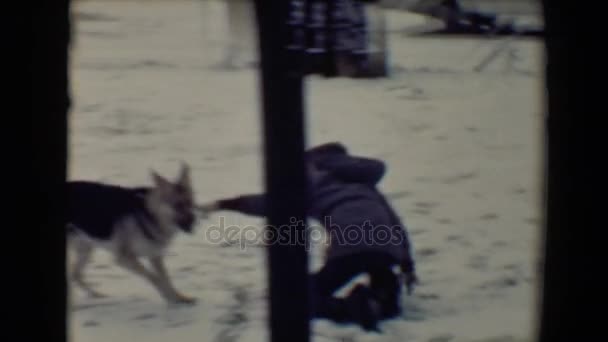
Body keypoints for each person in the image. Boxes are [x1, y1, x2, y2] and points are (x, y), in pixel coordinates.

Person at [200, 142, 418, 331]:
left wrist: (226, 204)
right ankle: (381, 300)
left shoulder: (310, 181)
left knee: (296, 297)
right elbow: (396, 224)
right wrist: (407, 264)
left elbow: (272, 202)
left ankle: (347, 309)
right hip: (386, 248)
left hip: (349, 248)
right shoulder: (366, 185)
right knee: (382, 277)